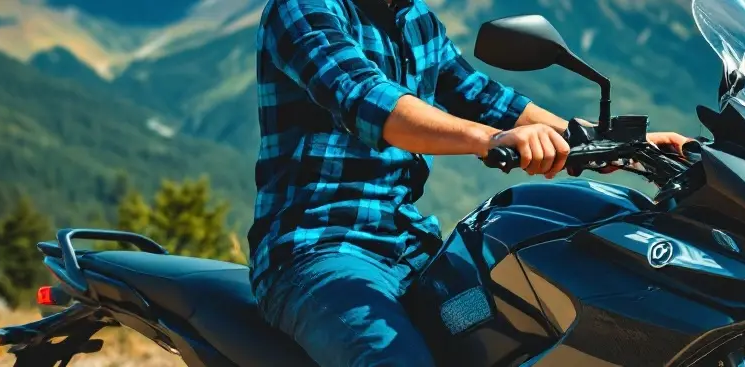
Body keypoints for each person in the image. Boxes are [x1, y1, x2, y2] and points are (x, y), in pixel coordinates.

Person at [249, 0, 693, 365]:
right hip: (318, 250)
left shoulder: (415, 19)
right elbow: (372, 102)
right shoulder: (305, 8)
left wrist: (608, 144)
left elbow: (485, 97)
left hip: (409, 245)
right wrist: (492, 140)